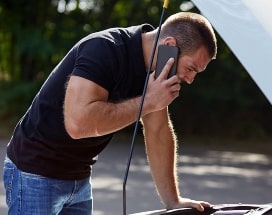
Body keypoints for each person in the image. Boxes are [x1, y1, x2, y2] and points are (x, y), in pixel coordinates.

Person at [3, 11, 217, 214]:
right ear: (169, 45)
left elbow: (158, 130)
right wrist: (147, 102)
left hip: (79, 177)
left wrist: (173, 201)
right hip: (35, 172)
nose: (190, 79)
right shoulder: (104, 48)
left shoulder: (155, 74)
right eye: (191, 69)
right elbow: (78, 125)